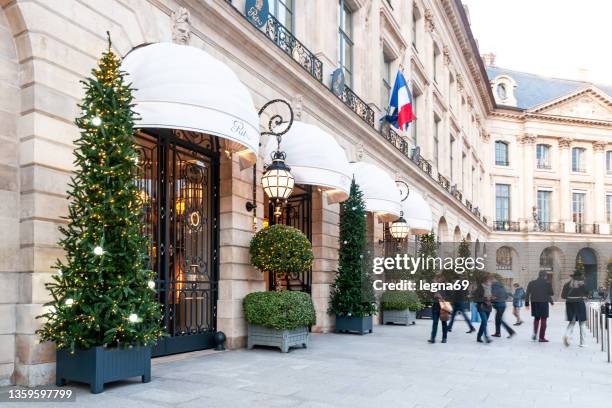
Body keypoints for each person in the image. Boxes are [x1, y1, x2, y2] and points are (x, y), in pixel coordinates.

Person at [525, 270, 554, 342]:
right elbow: (551, 293)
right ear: (545, 276)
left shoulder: (531, 283)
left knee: (536, 318)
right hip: (544, 303)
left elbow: (527, 293)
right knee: (544, 319)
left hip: (534, 303)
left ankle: (535, 333)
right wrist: (551, 301)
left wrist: (527, 304)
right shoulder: (547, 283)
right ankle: (541, 337)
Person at [561, 271, 588, 347]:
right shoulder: (582, 284)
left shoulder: (567, 285)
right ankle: (583, 343)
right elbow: (587, 293)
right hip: (579, 303)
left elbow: (563, 296)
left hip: (569, 303)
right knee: (582, 323)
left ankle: (567, 334)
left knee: (572, 322)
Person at [428, 275, 451, 344]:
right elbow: (430, 295)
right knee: (435, 322)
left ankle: (444, 338)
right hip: (435, 306)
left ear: (442, 279)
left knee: (444, 322)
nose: (437, 280)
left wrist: (442, 297)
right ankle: (433, 338)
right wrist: (434, 295)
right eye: (437, 278)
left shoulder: (447, 286)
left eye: (439, 278)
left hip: (443, 306)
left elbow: (450, 296)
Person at [472, 275, 493, 344]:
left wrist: (492, 298)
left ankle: (478, 337)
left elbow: (491, 297)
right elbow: (475, 299)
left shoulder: (490, 288)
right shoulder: (479, 288)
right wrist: (485, 299)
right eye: (489, 280)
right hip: (481, 307)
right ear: (485, 281)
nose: (490, 282)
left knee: (484, 323)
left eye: (490, 280)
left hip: (489, 307)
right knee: (484, 321)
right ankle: (486, 336)